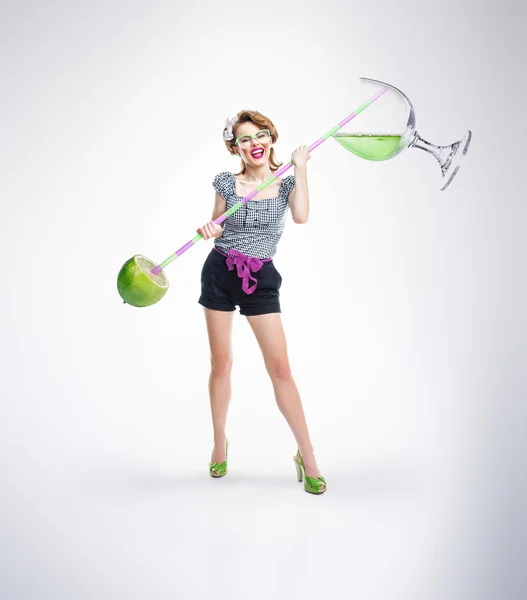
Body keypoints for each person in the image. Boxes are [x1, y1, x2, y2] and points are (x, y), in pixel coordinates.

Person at [196, 110, 326, 494]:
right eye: (245, 140)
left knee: (281, 369)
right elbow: (216, 224)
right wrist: (209, 228)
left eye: (260, 136)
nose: (254, 144)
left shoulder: (285, 185)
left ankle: (308, 455)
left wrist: (301, 169)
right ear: (235, 147)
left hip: (260, 280)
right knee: (222, 364)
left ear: (271, 137)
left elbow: (301, 217)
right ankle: (220, 443)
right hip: (220, 271)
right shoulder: (226, 182)